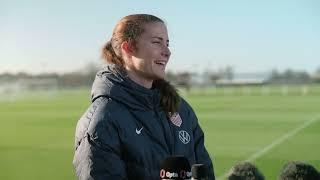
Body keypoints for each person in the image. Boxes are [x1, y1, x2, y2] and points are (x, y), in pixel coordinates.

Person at [72, 14, 215, 180]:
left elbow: (204, 172)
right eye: (156, 42)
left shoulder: (180, 109)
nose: (167, 52)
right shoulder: (102, 121)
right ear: (128, 48)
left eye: (167, 43)